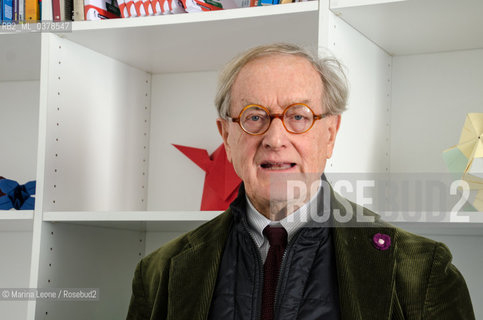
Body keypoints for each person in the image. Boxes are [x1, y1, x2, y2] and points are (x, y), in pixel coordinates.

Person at [126, 43, 475, 320]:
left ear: (330, 134)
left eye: (298, 116)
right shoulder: (160, 273)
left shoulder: (422, 272)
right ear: (227, 136)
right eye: (254, 116)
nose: (275, 138)